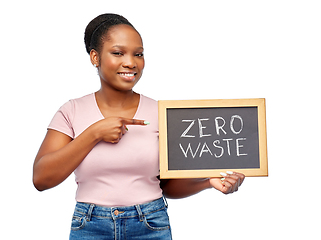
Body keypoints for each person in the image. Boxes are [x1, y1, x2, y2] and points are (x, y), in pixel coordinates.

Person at [33, 13, 245, 240]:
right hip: (91, 225)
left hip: (150, 224)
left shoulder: (161, 113)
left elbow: (166, 185)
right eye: (118, 53)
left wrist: (206, 183)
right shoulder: (72, 111)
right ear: (95, 57)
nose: (131, 62)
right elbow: (41, 179)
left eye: (138, 54)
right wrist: (94, 133)